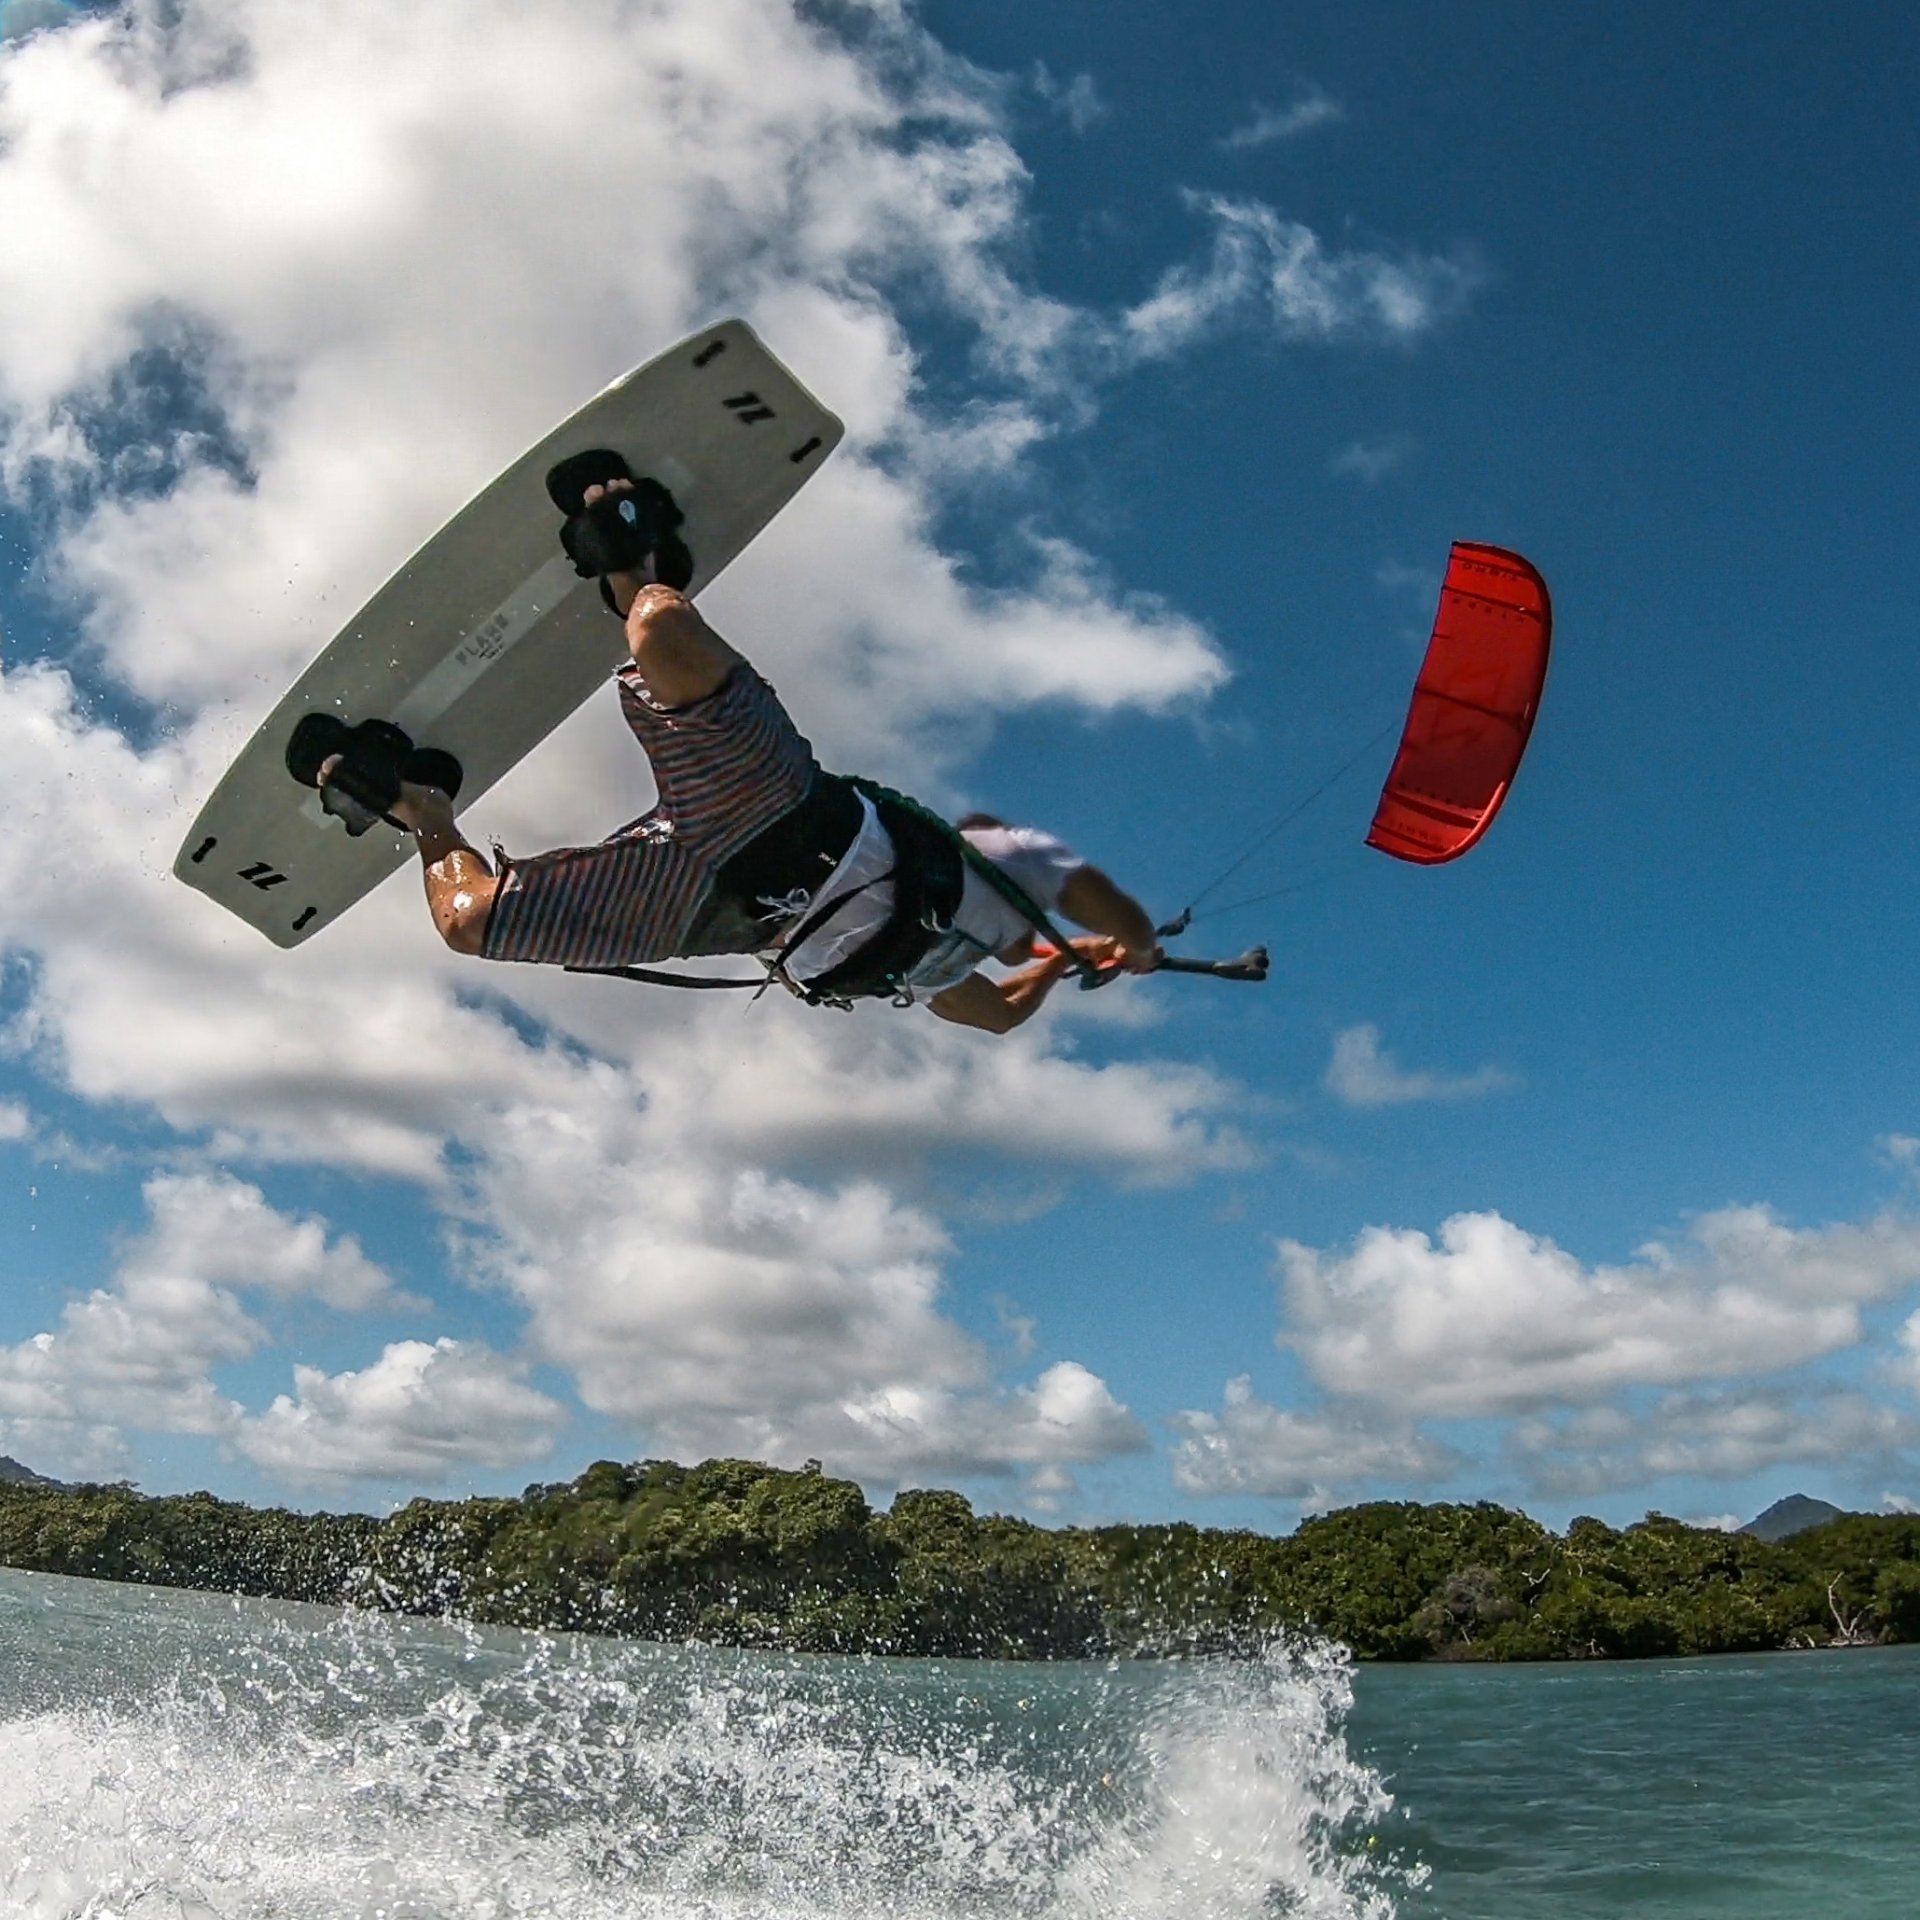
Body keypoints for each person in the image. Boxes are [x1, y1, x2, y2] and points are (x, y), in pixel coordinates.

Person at [320, 464, 1161, 1034]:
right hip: (781, 807)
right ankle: (634, 568)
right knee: (661, 633)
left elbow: (1001, 1015)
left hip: (709, 909)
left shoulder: (944, 970)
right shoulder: (998, 860)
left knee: (470, 925)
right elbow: (1104, 902)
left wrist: (1063, 967)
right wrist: (1139, 946)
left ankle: (419, 807)